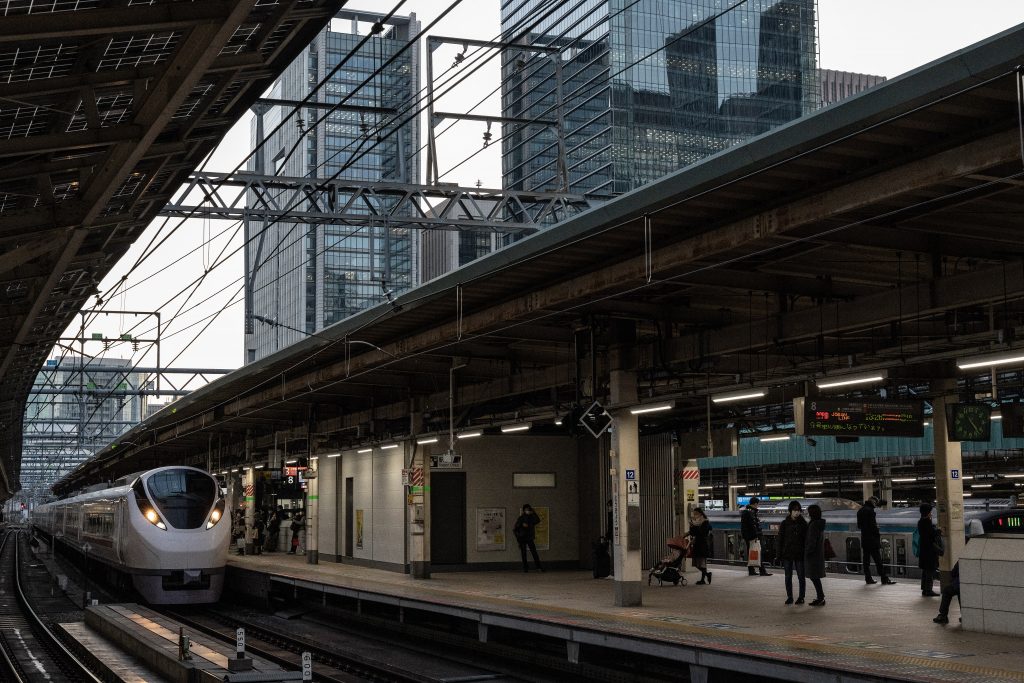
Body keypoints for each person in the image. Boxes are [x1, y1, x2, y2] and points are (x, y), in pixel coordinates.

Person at [857, 496, 895, 585]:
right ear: (873, 502)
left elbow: (859, 526)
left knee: (866, 562)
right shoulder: (871, 511)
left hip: (865, 540)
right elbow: (873, 526)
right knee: (878, 561)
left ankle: (868, 578)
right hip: (872, 540)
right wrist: (876, 528)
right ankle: (884, 579)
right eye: (876, 503)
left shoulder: (860, 511)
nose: (876, 505)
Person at [777, 500, 808, 604]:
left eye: (799, 510)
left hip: (799, 553)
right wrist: (779, 554)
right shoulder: (784, 523)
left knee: (801, 577)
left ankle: (801, 597)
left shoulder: (803, 523)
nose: (797, 512)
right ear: (790, 511)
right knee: (788, 577)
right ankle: (789, 597)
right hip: (787, 553)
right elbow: (780, 539)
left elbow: (806, 539)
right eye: (795, 510)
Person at [740, 497, 772, 576]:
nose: (758, 506)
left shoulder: (747, 512)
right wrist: (755, 536)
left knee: (752, 552)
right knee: (759, 552)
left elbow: (748, 525)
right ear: (755, 504)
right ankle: (762, 571)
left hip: (749, 537)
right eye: (758, 504)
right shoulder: (750, 512)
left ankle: (751, 570)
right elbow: (752, 526)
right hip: (753, 537)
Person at [805, 504, 827, 606]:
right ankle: (820, 597)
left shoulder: (813, 525)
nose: (808, 514)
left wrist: (807, 552)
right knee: (815, 577)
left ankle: (821, 598)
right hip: (818, 554)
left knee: (814, 577)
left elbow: (811, 541)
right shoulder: (819, 524)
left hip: (813, 555)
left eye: (809, 512)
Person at [917, 503, 940, 597]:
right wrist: (938, 531)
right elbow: (930, 535)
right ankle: (929, 590)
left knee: (925, 571)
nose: (931, 513)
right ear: (927, 512)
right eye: (930, 511)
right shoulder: (926, 522)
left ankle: (924, 589)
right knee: (930, 570)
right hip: (929, 550)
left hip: (923, 549)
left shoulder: (920, 521)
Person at [513, 503, 543, 572]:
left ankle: (538, 567)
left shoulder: (532, 517)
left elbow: (538, 520)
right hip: (523, 538)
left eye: (528, 510)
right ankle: (526, 568)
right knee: (524, 554)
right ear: (523, 510)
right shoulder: (521, 518)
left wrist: (533, 513)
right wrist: (522, 525)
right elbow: (516, 528)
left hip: (529, 537)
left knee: (534, 553)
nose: (527, 511)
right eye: (526, 510)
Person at [688, 507, 713, 585]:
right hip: (697, 544)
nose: (695, 515)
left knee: (702, 563)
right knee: (695, 563)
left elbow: (702, 533)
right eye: (694, 514)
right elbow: (693, 533)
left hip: (702, 545)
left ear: (700, 514)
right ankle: (707, 574)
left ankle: (703, 579)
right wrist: (692, 526)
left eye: (696, 514)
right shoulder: (695, 522)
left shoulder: (705, 522)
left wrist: (694, 527)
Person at [934, 559, 961, 624]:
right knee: (960, 592)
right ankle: (965, 616)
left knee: (947, 591)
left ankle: (943, 615)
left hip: (960, 584)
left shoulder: (962, 559)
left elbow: (953, 572)